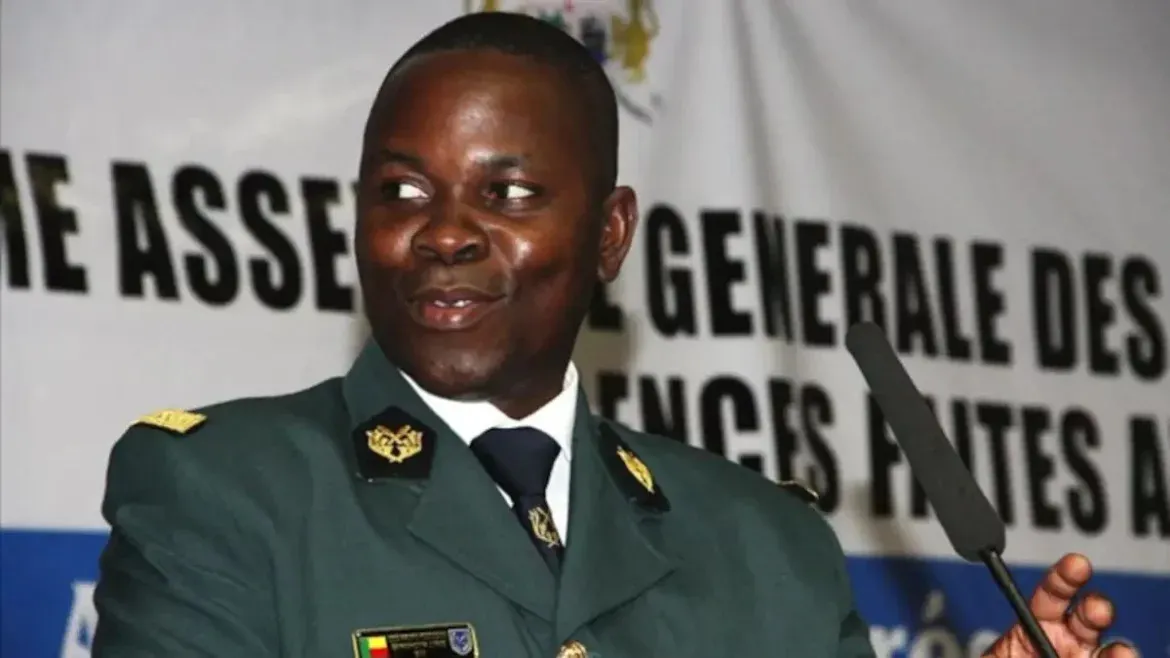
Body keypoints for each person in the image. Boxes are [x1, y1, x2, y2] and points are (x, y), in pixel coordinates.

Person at [92, 12, 1133, 658]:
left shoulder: (766, 546)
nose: (444, 232)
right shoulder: (228, 492)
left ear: (608, 234)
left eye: (508, 192)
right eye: (401, 190)